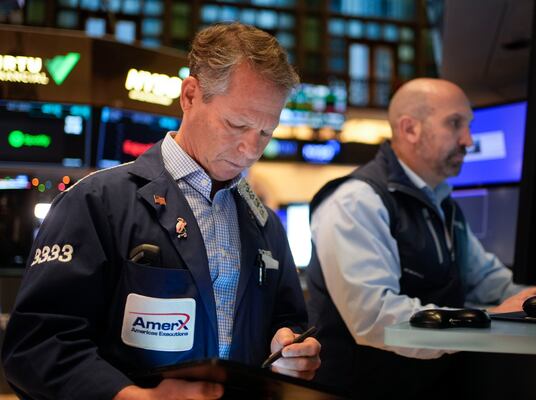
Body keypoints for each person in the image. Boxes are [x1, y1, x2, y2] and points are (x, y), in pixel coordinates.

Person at [2, 23, 320, 400]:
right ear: (189, 95)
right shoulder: (97, 202)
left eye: (266, 132)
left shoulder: (263, 222)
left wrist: (291, 351)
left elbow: (287, 323)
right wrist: (133, 397)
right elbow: (37, 345)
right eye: (237, 124)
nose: (250, 149)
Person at [306, 78, 536, 399]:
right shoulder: (357, 201)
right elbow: (376, 318)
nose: (468, 140)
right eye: (455, 124)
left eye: (469, 126)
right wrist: (487, 317)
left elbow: (487, 280)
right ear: (410, 129)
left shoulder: (443, 204)